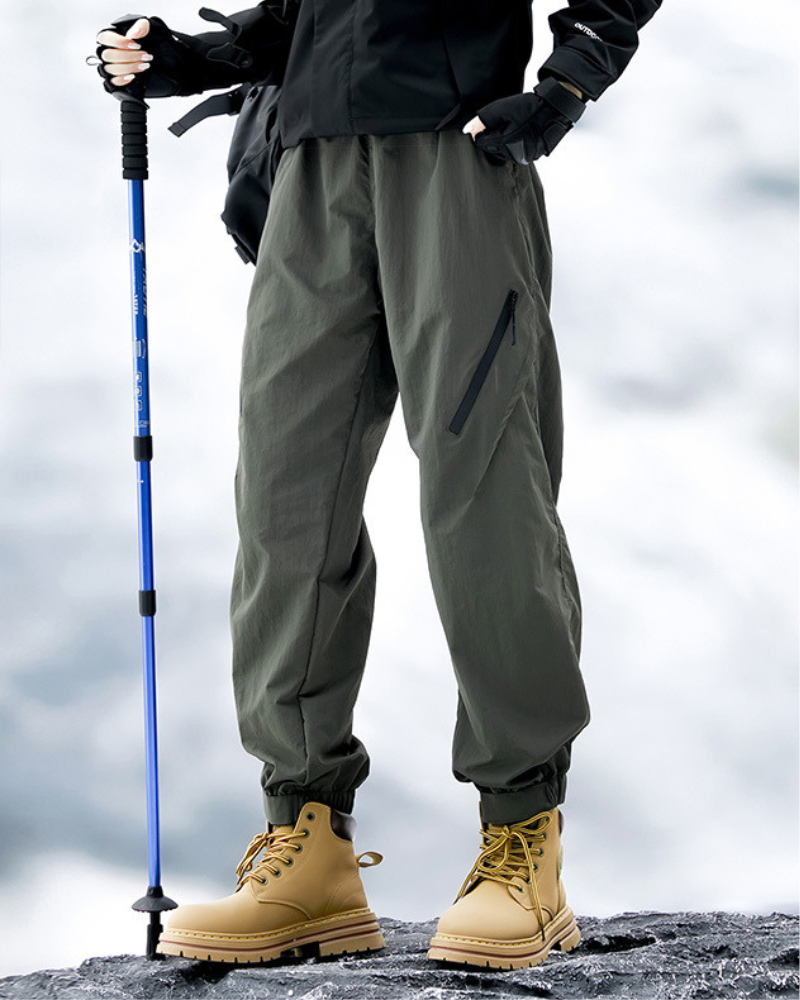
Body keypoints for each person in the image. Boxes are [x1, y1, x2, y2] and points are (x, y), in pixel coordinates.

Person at [96, 0, 661, 970]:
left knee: (483, 497)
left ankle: (522, 840)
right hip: (312, 166)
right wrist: (197, 57)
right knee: (284, 499)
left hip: (455, 153)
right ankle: (307, 845)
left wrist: (568, 81)